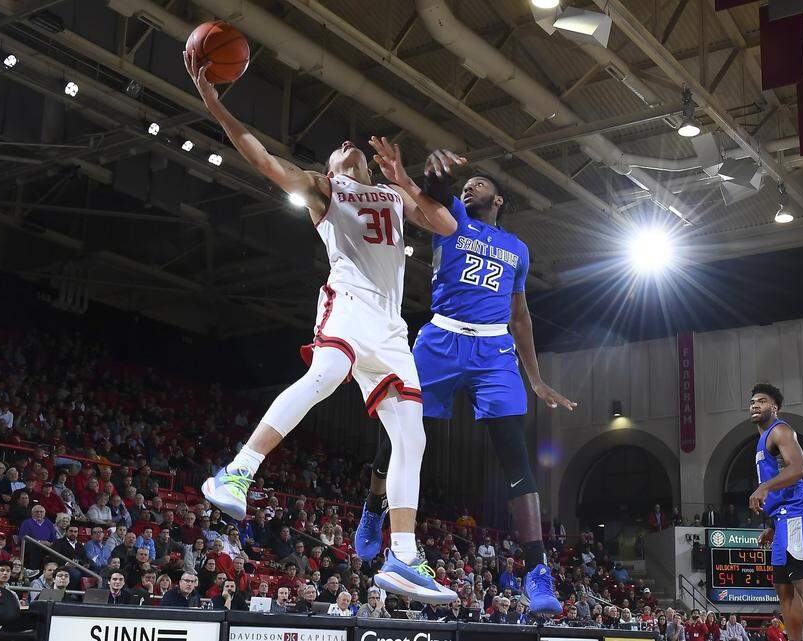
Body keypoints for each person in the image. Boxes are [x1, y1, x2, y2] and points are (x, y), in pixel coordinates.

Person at [185, 50, 457, 605]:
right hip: (349, 303)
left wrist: (406, 177)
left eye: (347, 144)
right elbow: (261, 158)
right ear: (332, 169)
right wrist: (215, 105)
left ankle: (403, 557)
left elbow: (447, 225)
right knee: (328, 371)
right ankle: (236, 473)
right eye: (336, 148)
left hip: (390, 326)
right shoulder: (323, 188)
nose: (346, 144)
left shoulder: (391, 194)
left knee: (413, 436)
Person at [356, 152, 573, 615]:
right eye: (466, 183)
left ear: (499, 198)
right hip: (440, 338)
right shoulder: (452, 214)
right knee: (397, 434)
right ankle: (374, 508)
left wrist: (535, 379)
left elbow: (520, 315)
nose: (471, 188)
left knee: (515, 452)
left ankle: (537, 572)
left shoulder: (517, 248)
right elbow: (433, 194)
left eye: (480, 184)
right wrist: (438, 176)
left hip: (494, 352)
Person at [747, 383, 803, 641]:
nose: (755, 405)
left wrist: (763, 487)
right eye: (752, 401)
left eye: (761, 401)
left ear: (774, 407)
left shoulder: (781, 430)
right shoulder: (762, 440)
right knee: (784, 587)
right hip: (783, 517)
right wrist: (774, 526)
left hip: (798, 510)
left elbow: (798, 469)